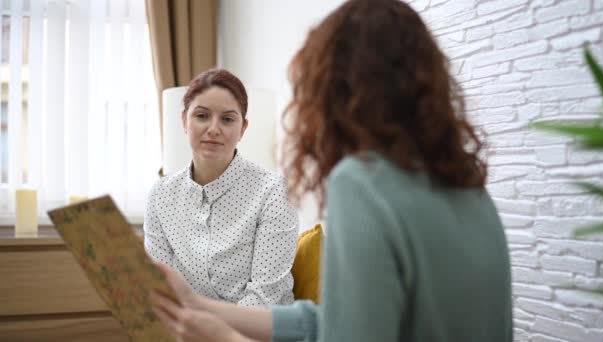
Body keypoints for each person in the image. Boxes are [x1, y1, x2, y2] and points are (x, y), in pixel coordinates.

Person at [150, 0, 513, 341]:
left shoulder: (361, 184)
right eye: (202, 115)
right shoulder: (468, 186)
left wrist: (222, 336)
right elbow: (337, 320)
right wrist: (199, 307)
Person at [143, 69, 299, 306]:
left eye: (227, 119)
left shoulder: (274, 192)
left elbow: (265, 298)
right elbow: (160, 287)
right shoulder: (160, 195)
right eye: (202, 116)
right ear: (184, 121)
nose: (214, 128)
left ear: (243, 129)